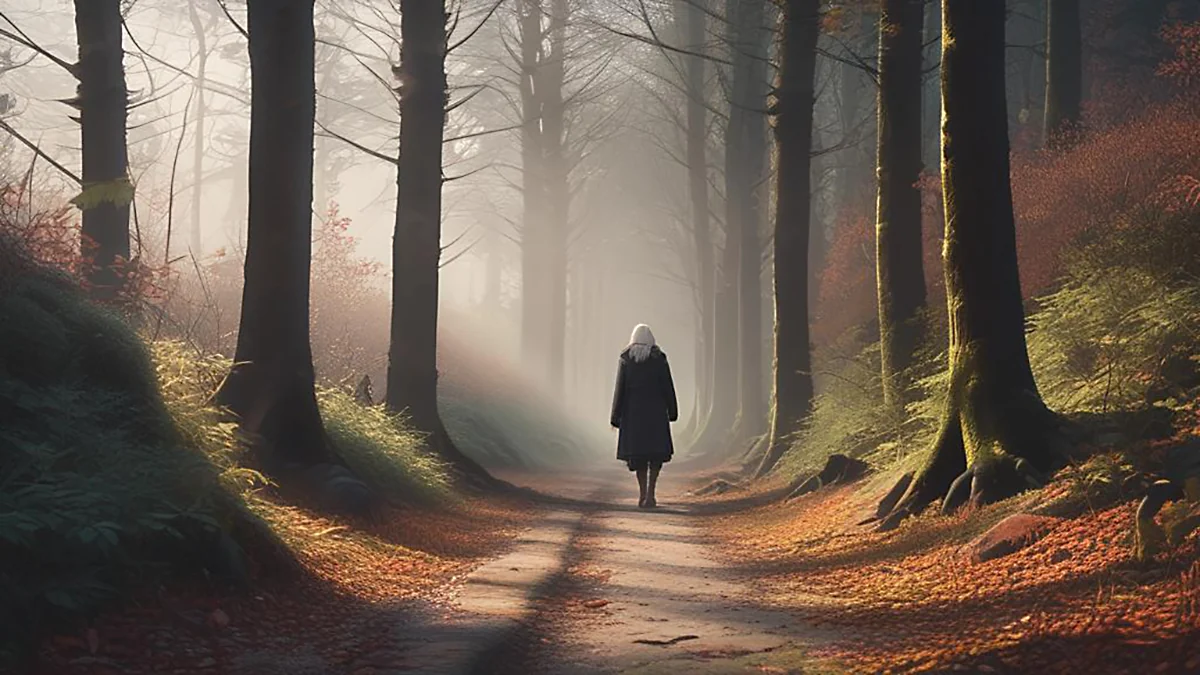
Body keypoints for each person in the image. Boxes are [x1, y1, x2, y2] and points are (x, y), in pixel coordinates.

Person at [610, 323, 678, 508]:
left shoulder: (626, 359)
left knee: (639, 456)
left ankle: (642, 495)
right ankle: (651, 494)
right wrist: (672, 411)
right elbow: (667, 387)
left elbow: (620, 390)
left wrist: (615, 417)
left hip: (633, 415)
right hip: (656, 413)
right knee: (655, 455)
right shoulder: (659, 359)